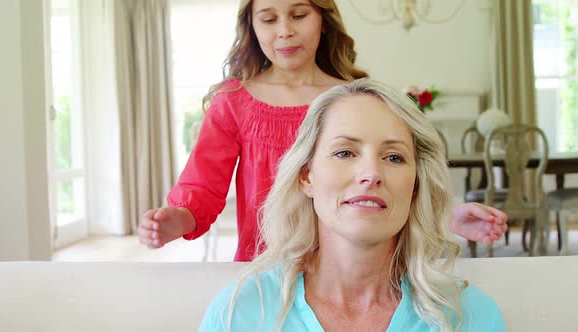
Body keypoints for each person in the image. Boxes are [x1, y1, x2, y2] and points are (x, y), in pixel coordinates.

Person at [137, 0, 507, 262]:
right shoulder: (232, 102)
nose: (285, 31)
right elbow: (203, 188)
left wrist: (444, 215)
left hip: (357, 267)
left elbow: (383, 178)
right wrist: (179, 218)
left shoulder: (356, 96)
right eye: (268, 19)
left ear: (323, 19)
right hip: (267, 266)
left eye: (299, 14)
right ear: (251, 26)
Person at [199, 79, 506, 331]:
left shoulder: (469, 317)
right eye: (345, 153)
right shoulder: (238, 314)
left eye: (394, 157)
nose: (371, 174)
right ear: (307, 176)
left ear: (415, 187)